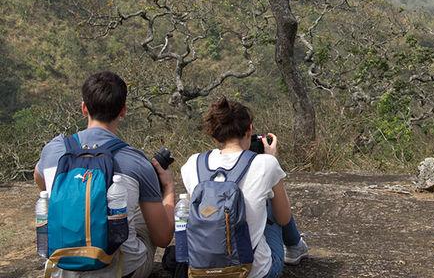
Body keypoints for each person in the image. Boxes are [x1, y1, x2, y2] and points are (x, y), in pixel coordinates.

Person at [34, 71, 176, 278]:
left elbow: (40, 179)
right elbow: (163, 238)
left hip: (63, 270)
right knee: (140, 214)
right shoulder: (136, 161)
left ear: (84, 108)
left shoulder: (53, 149)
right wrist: (169, 188)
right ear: (123, 111)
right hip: (123, 272)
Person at [180, 97, 309, 278]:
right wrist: (272, 159)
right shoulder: (266, 164)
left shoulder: (192, 163)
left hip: (202, 270)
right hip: (255, 273)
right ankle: (295, 248)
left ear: (215, 134)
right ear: (250, 129)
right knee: (271, 205)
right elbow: (283, 217)